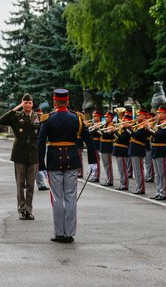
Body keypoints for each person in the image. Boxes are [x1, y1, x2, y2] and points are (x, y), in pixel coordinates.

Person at [38, 88, 97, 243]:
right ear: (68, 101)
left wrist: (41, 166)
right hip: (72, 160)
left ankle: (59, 233)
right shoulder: (76, 118)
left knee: (57, 199)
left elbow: (40, 143)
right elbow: (89, 139)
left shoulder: (48, 119)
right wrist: (92, 161)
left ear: (54, 101)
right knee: (70, 197)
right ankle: (69, 233)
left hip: (54, 161)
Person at [0, 93, 39, 220]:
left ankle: (29, 209)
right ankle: (22, 209)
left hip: (33, 153)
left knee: (31, 184)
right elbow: (2, 120)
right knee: (20, 183)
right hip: (20, 152)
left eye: (29, 103)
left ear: (32, 104)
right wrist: (15, 109)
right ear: (22, 103)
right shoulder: (17, 116)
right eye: (25, 103)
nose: (27, 105)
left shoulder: (38, 117)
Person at [148, 106, 166, 200]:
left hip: (162, 150)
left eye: (159, 113)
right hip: (155, 149)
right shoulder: (158, 124)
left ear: (164, 114)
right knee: (158, 174)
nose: (157, 115)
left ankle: (163, 193)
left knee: (163, 173)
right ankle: (159, 191)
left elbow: (158, 135)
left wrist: (149, 129)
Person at [127, 109, 151, 194]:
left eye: (138, 115)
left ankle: (141, 188)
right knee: (137, 171)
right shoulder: (138, 125)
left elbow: (135, 135)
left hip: (138, 149)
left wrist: (129, 128)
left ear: (144, 116)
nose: (136, 117)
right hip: (133, 149)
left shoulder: (144, 126)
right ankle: (138, 187)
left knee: (139, 170)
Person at [112, 114, 132, 191]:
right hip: (118, 150)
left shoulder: (128, 129)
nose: (122, 122)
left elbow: (121, 138)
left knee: (123, 169)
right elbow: (117, 138)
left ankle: (125, 184)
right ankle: (122, 183)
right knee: (120, 169)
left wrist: (115, 132)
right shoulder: (123, 129)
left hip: (122, 150)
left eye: (124, 121)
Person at [99, 111, 115, 186]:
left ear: (111, 118)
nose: (105, 118)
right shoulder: (105, 125)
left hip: (108, 146)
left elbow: (105, 135)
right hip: (103, 146)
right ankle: (108, 178)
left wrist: (100, 131)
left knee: (108, 164)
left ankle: (110, 180)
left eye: (107, 117)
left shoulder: (112, 125)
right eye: (105, 117)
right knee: (105, 164)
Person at [88, 110, 103, 183]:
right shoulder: (92, 124)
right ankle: (93, 174)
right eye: (93, 116)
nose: (93, 117)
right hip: (91, 142)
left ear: (99, 117)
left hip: (96, 142)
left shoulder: (101, 124)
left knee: (96, 160)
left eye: (95, 116)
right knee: (92, 160)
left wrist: (97, 129)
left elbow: (100, 133)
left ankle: (97, 175)